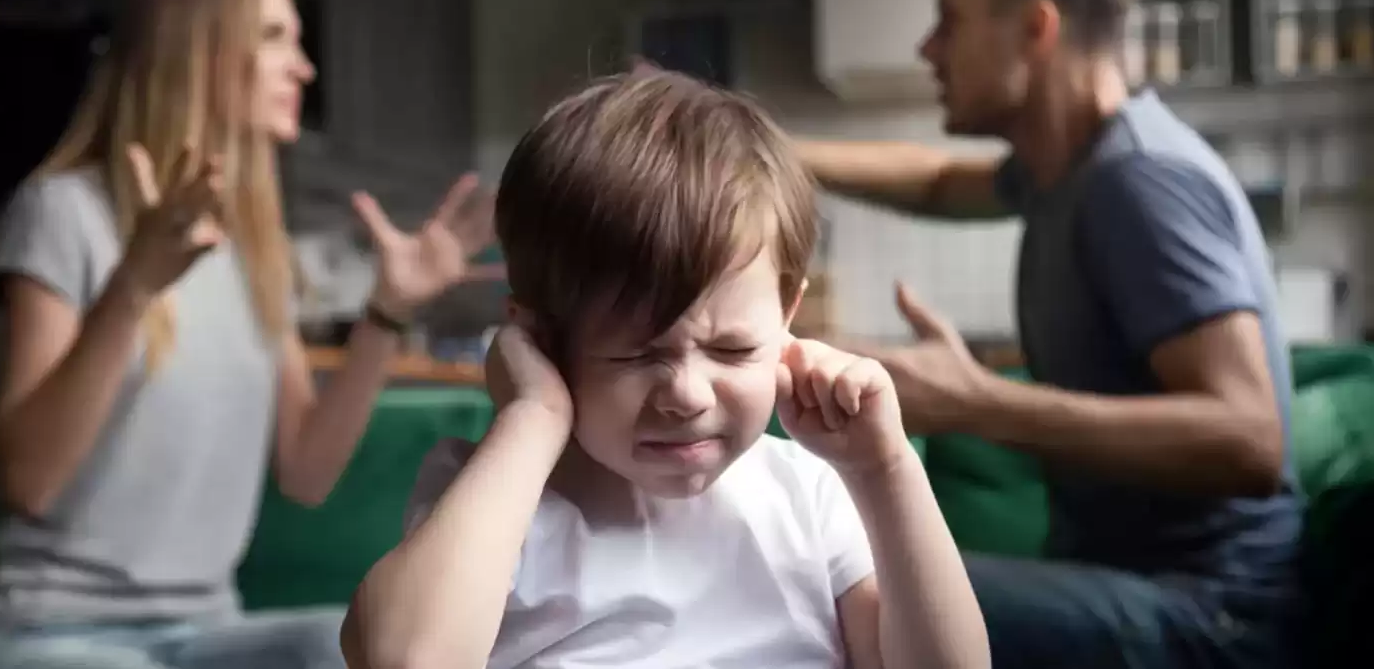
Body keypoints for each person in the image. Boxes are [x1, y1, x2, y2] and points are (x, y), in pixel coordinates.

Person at [797, 0, 1303, 667]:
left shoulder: (1136, 182)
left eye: (950, 21)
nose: (928, 49)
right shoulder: (1061, 170)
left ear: (1036, 28)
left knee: (858, 601)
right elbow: (932, 179)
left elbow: (1252, 438)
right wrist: (758, 143)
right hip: (1129, 578)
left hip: (1214, 613)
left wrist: (975, 401)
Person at [340, 67, 990, 669]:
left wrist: (884, 470)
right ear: (539, 337)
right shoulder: (494, 498)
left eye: (733, 350)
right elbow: (405, 661)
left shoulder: (808, 493)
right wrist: (532, 417)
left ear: (787, 316)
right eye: (636, 353)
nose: (685, 394)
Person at [0, 0, 494, 669]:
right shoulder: (62, 212)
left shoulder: (255, 246)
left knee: (362, 647)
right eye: (277, 39)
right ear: (201, 51)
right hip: (52, 632)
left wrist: (387, 311)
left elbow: (306, 472)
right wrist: (134, 287)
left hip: (205, 629)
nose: (304, 70)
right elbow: (24, 481)